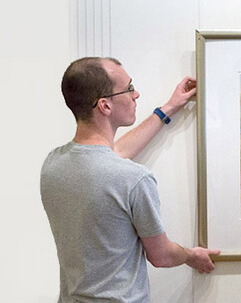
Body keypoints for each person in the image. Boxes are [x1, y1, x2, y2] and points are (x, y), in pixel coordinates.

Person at [41, 57, 220, 303]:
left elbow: (107, 157)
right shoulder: (134, 179)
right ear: (105, 106)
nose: (136, 94)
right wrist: (191, 255)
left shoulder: (53, 164)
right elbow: (162, 256)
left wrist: (167, 108)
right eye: (129, 88)